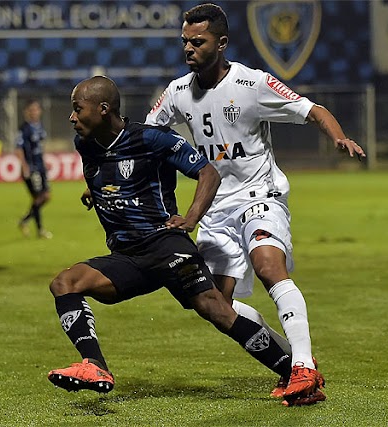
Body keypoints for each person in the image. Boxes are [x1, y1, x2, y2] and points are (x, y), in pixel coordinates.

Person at [145, 3, 366, 406]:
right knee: (215, 305)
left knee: (268, 267)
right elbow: (144, 137)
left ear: (222, 43)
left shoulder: (252, 83)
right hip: (214, 210)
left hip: (259, 197)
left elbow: (312, 109)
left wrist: (338, 136)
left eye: (198, 41)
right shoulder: (177, 92)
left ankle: (303, 369)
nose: (188, 49)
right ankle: (294, 360)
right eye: (184, 42)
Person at [47, 75, 295, 397]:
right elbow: (109, 172)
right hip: (128, 256)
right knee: (64, 284)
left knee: (216, 310)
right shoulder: (86, 144)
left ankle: (293, 370)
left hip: (166, 245)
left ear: (103, 109)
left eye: (78, 109)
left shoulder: (154, 139)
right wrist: (95, 191)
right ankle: (94, 364)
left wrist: (191, 218)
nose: (72, 117)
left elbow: (208, 173)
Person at [15, 99, 52, 239]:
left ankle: (24, 220)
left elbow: (39, 147)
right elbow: (18, 149)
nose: (35, 112)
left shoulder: (39, 126)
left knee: (46, 196)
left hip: (40, 167)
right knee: (37, 198)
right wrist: (25, 167)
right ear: (27, 112)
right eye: (32, 110)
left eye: (37, 109)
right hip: (31, 168)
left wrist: (44, 161)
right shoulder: (24, 129)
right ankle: (40, 230)